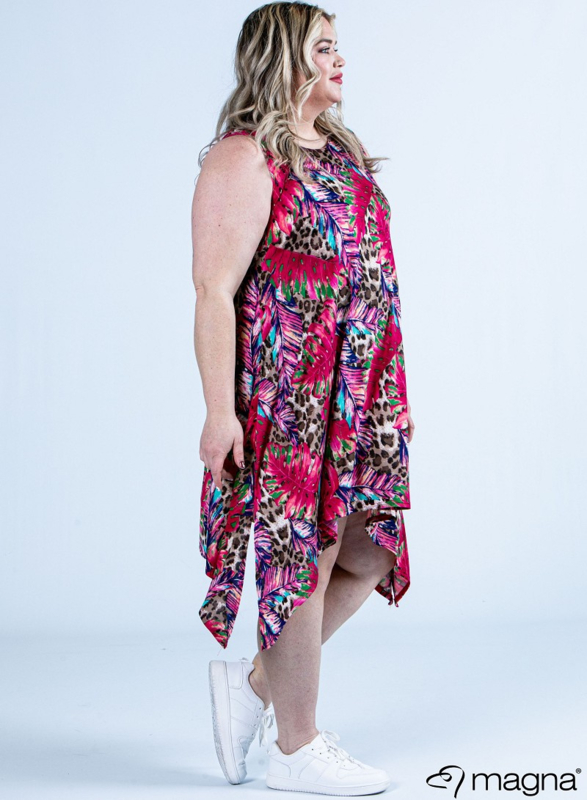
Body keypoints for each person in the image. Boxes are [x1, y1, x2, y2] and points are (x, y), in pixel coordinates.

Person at [191, 2, 415, 794]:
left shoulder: (340, 153)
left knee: (369, 549)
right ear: (282, 59)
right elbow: (213, 291)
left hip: (360, 393)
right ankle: (295, 746)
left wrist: (390, 391)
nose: (339, 59)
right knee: (305, 560)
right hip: (290, 394)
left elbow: (371, 281)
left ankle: (257, 683)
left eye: (337, 46)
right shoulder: (245, 157)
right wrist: (218, 411)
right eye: (322, 47)